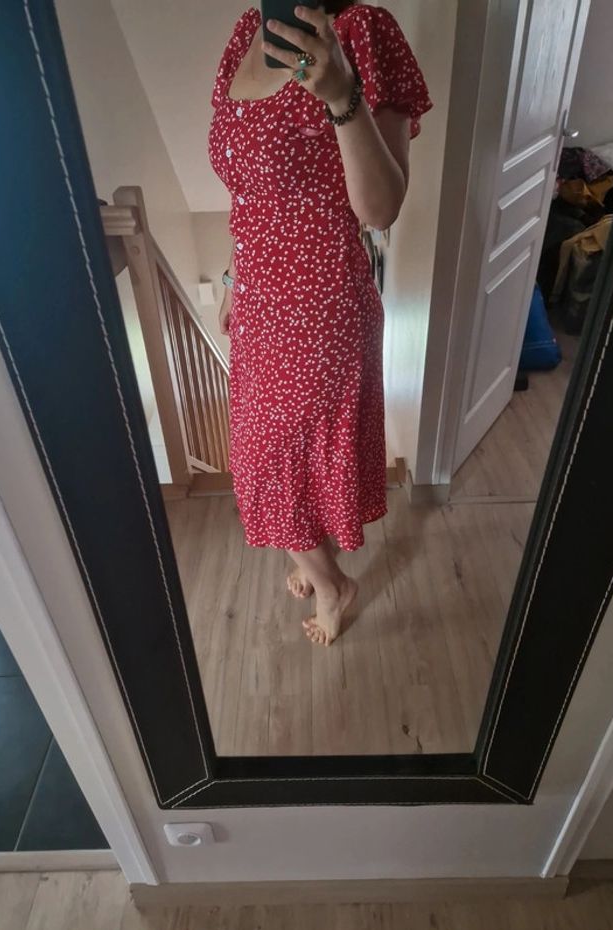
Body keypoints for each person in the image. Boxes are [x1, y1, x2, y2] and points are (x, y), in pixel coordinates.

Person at [208, 2, 432, 646]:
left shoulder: (366, 31)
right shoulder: (245, 34)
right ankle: (312, 557)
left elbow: (381, 210)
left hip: (321, 307)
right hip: (258, 304)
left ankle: (334, 586)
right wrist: (233, 275)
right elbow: (248, 188)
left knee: (267, 465)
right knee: (283, 458)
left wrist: (340, 95)